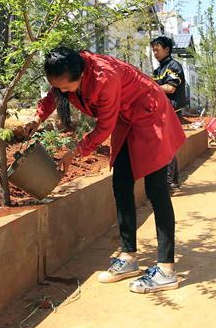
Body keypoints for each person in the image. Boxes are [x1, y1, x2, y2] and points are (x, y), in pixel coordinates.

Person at [23, 47, 186, 293]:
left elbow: (103, 128)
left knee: (157, 190)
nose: (64, 93)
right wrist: (37, 119)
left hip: (151, 115)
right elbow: (54, 94)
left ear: (80, 75)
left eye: (67, 88)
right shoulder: (69, 72)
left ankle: (166, 270)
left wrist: (74, 153)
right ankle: (129, 257)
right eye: (60, 88)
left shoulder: (105, 78)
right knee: (121, 184)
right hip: (127, 118)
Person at [150, 36, 188, 191]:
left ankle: (169, 182)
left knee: (168, 147)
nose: (155, 53)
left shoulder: (174, 66)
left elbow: (170, 88)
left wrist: (149, 86)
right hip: (162, 112)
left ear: (166, 49)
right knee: (166, 146)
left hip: (172, 112)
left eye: (157, 50)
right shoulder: (158, 70)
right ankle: (172, 182)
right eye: (153, 50)